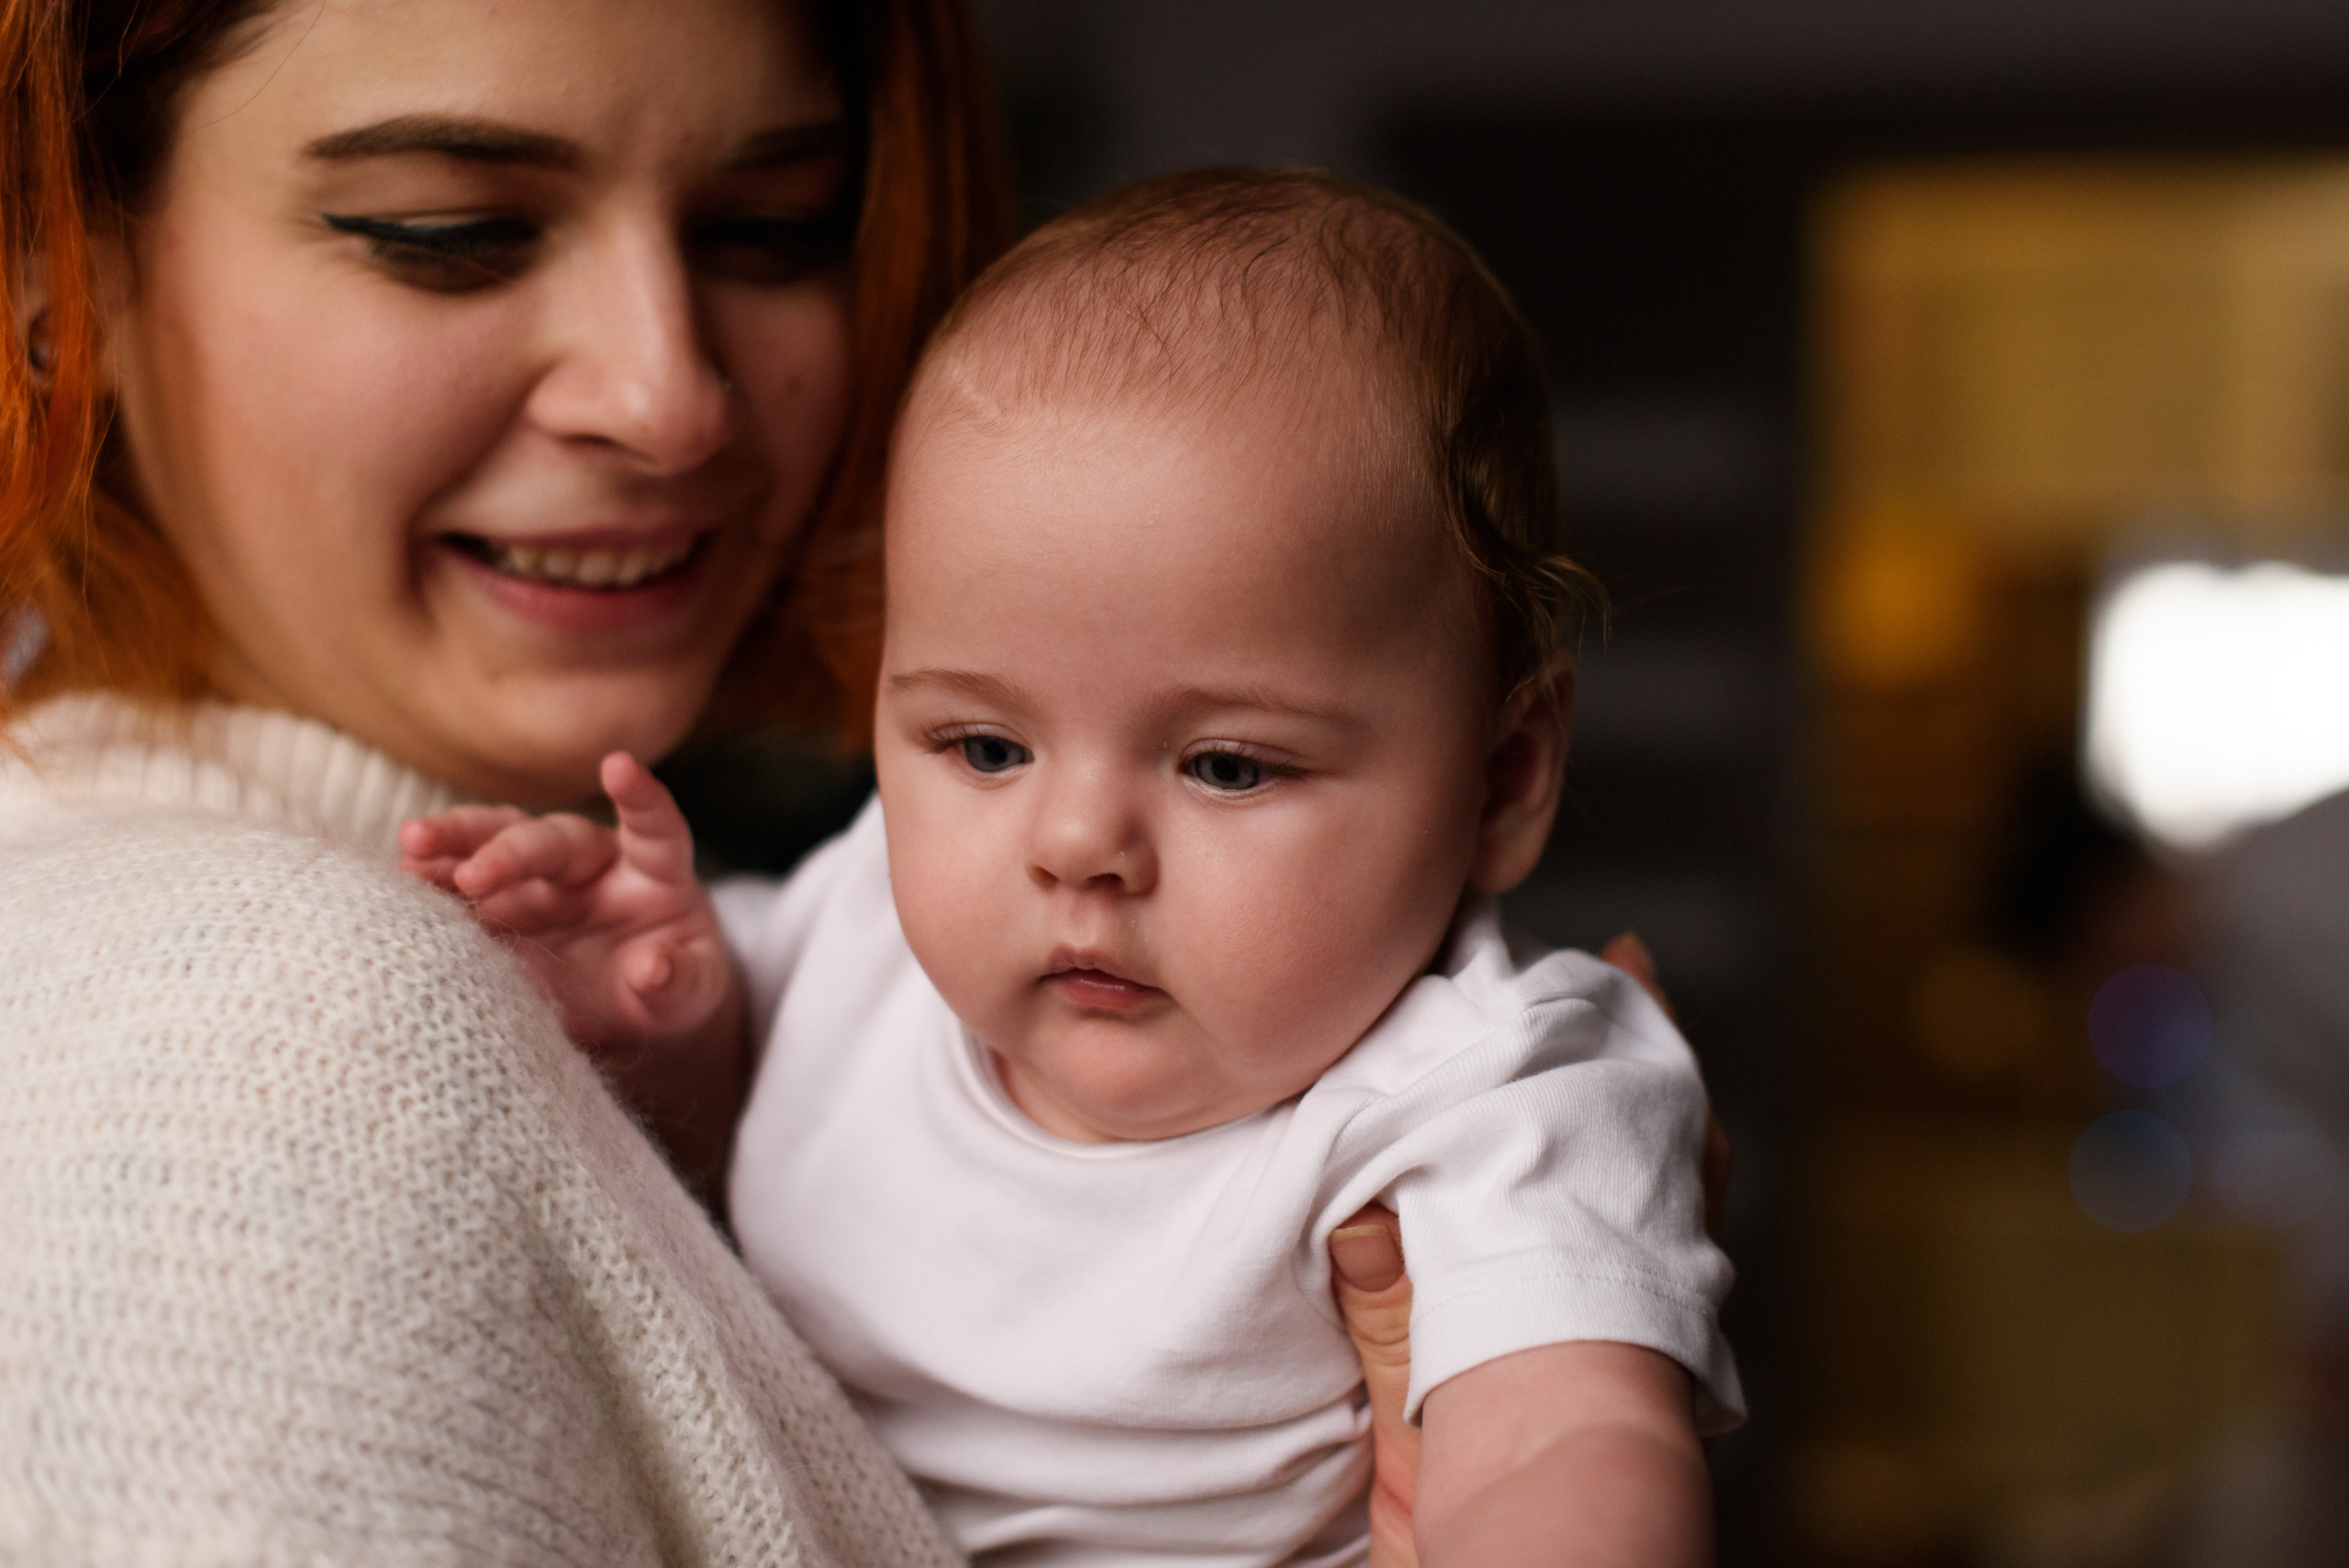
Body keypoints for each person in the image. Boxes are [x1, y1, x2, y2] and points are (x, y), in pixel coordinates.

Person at [0, 2, 1437, 1560]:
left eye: (774, 229)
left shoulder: (717, 976)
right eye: (453, 232)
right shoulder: (266, 1043)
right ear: (49, 268)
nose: (668, 393)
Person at [406, 170, 1742, 1567]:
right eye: (984, 745)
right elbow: (704, 1149)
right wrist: (664, 1012)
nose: (1072, 844)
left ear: (1503, 778)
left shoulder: (1488, 1098)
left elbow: (1558, 1446)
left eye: (1227, 765)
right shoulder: (866, 924)